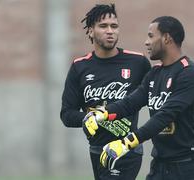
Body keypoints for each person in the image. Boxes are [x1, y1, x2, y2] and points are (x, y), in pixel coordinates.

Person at [87, 16, 194, 179]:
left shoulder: (189, 73)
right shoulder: (155, 73)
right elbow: (129, 103)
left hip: (189, 168)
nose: (146, 42)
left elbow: (165, 116)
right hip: (159, 167)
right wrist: (101, 114)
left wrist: (126, 143)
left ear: (167, 38)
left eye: (151, 36)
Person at [60, 4, 151, 180]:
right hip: (96, 150)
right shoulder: (79, 67)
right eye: (103, 26)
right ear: (91, 31)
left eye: (114, 26)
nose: (110, 31)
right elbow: (67, 114)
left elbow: (157, 98)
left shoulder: (138, 62)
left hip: (126, 151)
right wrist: (87, 119)